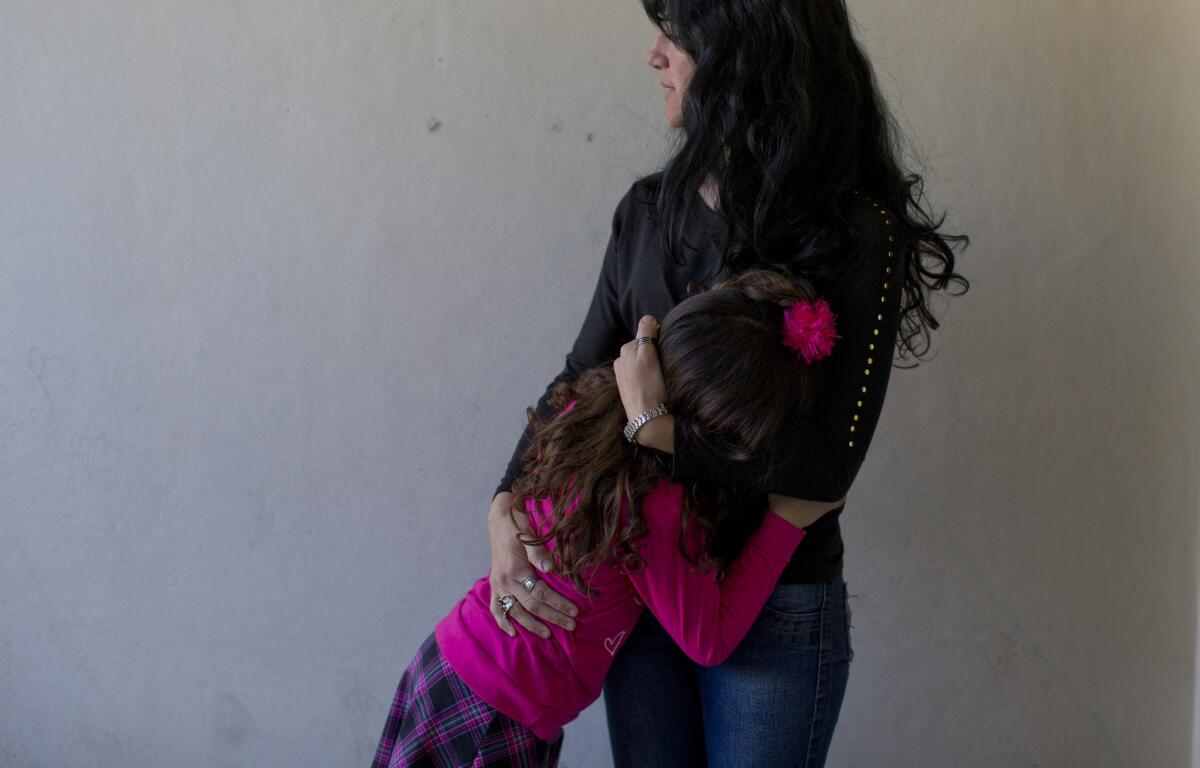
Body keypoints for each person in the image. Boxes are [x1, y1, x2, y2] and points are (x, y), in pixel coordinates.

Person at [485, 2, 970, 765]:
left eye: (675, 34)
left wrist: (659, 430)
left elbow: (826, 466)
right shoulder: (648, 213)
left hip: (774, 611)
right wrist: (502, 504)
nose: (654, 55)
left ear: (745, 55)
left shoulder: (854, 236)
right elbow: (578, 378)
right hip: (637, 598)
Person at [372, 271, 842, 767]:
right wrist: (783, 524)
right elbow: (711, 641)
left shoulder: (590, 408)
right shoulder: (658, 507)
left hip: (453, 664)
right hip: (500, 711)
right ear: (723, 435)